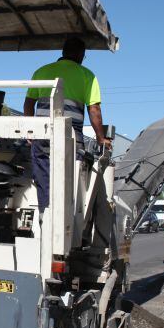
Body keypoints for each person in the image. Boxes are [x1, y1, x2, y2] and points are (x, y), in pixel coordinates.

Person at [24, 37, 109, 210]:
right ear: (80, 54)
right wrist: (101, 139)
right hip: (71, 137)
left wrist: (30, 131)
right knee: (69, 179)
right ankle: (67, 216)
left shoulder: (41, 71)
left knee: (43, 178)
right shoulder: (87, 76)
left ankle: (45, 214)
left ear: (63, 52)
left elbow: (28, 104)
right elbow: (94, 110)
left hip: (42, 134)